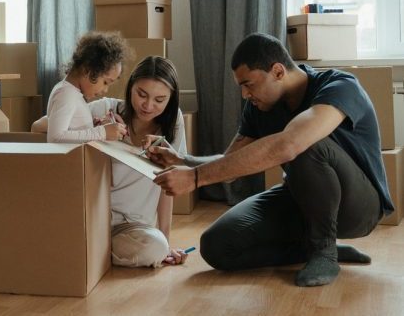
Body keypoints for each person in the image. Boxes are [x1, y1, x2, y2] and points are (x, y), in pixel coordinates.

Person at [146, 33, 393, 286]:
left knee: (304, 143)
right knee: (216, 246)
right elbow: (230, 164)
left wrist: (195, 179)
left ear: (277, 71)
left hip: (359, 208)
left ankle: (324, 252)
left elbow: (291, 144)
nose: (244, 94)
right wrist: (183, 161)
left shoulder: (340, 86)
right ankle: (310, 249)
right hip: (301, 200)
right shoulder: (259, 107)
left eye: (249, 84)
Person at [36, 55, 190, 267]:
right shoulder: (105, 109)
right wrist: (96, 130)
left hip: (133, 227)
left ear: (171, 99)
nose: (147, 105)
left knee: (156, 248)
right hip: (92, 218)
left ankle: (86, 251)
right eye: (141, 94)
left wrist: (166, 241)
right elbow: (39, 126)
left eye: (159, 100)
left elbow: (168, 185)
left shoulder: (174, 124)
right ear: (130, 87)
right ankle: (88, 249)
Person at [45, 31, 129, 143]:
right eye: (105, 82)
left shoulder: (73, 93)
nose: (105, 90)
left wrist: (92, 127)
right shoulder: (66, 94)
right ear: (87, 69)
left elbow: (72, 132)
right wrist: (102, 132)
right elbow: (55, 137)